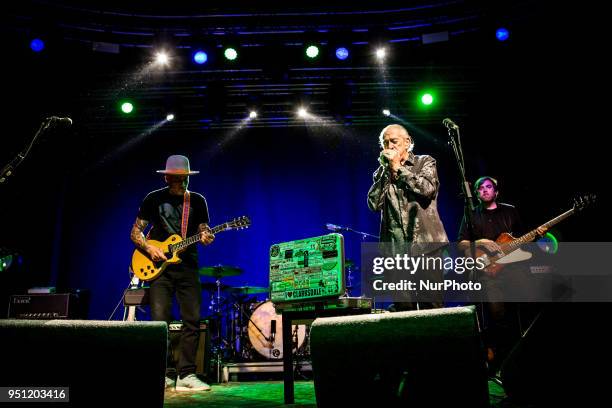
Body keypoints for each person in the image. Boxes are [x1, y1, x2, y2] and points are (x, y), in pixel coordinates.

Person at [130, 154, 214, 392]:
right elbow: (135, 232)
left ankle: (187, 374)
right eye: (177, 178)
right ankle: (163, 374)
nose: (182, 183)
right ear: (166, 177)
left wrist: (207, 235)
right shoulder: (153, 199)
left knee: (192, 320)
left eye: (185, 178)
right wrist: (149, 247)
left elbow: (203, 230)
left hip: (188, 267)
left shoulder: (197, 201)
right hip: (159, 270)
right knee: (160, 323)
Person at [457, 176, 546, 375]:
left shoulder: (510, 211)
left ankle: (523, 357)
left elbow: (524, 239)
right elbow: (461, 244)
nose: (484, 190)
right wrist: (481, 241)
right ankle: (499, 360)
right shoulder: (472, 215)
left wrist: (536, 235)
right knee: (497, 315)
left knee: (526, 306)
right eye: (480, 188)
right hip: (488, 273)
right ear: (476, 194)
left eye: (489, 187)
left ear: (496, 191)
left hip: (513, 269)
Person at [367, 124, 449, 309]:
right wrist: (387, 172)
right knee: (404, 308)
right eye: (385, 143)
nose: (389, 146)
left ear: (407, 142)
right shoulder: (381, 173)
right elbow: (373, 204)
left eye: (393, 141)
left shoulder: (424, 162)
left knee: (432, 307)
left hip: (427, 247)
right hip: (396, 252)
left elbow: (427, 190)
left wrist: (399, 168)